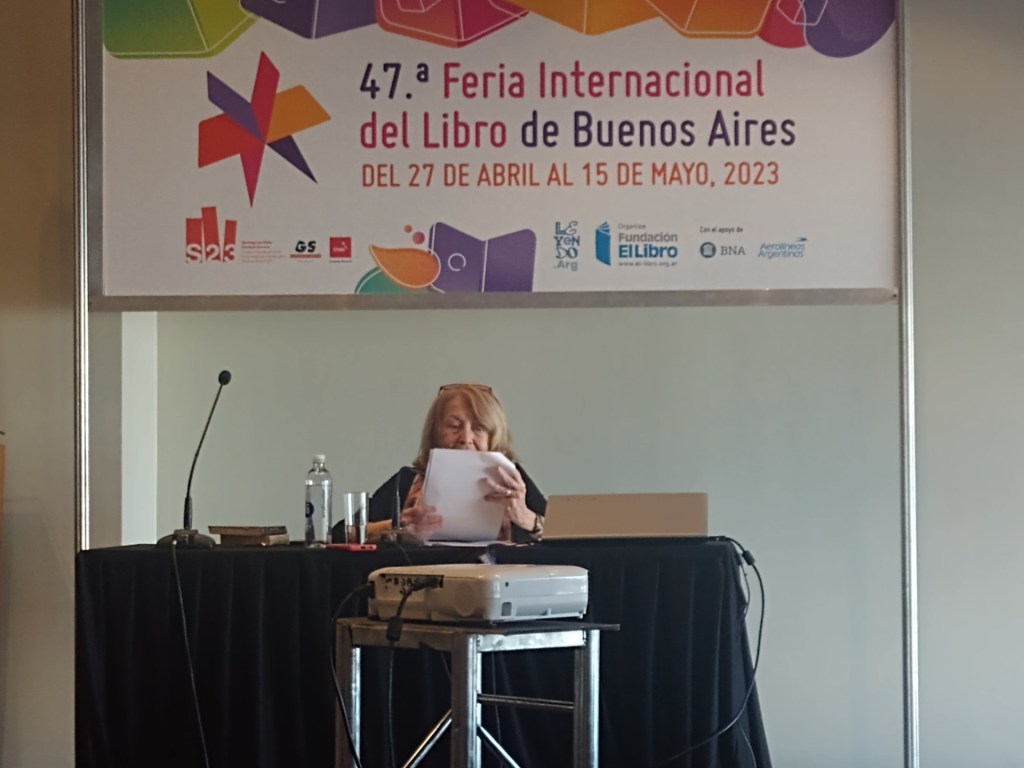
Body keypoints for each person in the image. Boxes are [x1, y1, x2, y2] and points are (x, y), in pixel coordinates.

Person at [348, 383, 545, 544]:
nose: (465, 438)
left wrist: (526, 517)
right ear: (436, 432)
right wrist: (396, 526)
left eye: (479, 428)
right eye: (454, 426)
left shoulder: (512, 481)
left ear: (493, 436)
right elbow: (344, 532)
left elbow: (560, 537)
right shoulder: (411, 478)